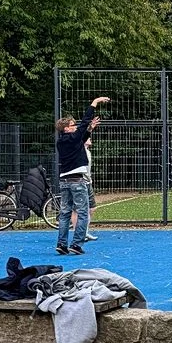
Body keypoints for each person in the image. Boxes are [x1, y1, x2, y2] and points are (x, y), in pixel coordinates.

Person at [55, 96, 110, 255]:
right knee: (83, 212)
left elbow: (81, 138)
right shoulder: (72, 137)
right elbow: (84, 122)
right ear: (66, 129)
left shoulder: (63, 141)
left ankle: (61, 244)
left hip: (64, 180)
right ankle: (77, 244)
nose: (75, 126)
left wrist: (90, 129)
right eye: (73, 125)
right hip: (77, 180)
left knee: (65, 213)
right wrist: (94, 103)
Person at [71, 120, 100, 242]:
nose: (89, 138)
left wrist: (91, 128)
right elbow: (82, 135)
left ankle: (84, 231)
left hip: (88, 182)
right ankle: (78, 232)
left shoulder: (87, 151)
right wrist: (88, 129)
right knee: (77, 209)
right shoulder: (78, 148)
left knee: (91, 208)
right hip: (80, 182)